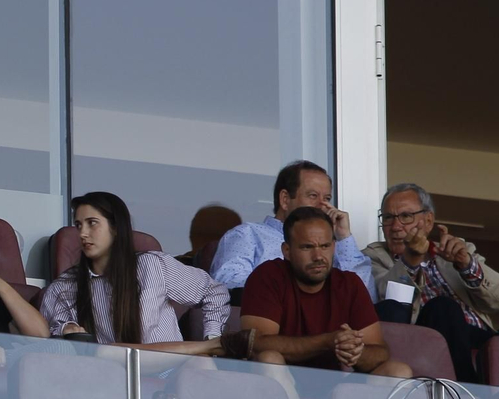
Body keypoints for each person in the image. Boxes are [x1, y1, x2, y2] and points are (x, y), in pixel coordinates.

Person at [41, 192, 249, 357]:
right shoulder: (66, 285)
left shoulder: (152, 265)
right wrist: (67, 328)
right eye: (78, 225)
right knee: (108, 352)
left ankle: (207, 348)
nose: (83, 233)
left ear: (115, 228)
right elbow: (53, 329)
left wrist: (211, 333)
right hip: (115, 373)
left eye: (92, 223)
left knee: (200, 369)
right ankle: (206, 348)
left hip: (171, 371)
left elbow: (213, 291)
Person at [240, 206, 411, 378]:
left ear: (334, 246)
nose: (318, 256)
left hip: (335, 388)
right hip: (282, 386)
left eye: (325, 246)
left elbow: (379, 352)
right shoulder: (268, 276)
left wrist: (355, 351)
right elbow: (255, 344)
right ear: (287, 251)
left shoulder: (349, 284)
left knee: (398, 371)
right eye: (307, 247)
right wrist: (328, 341)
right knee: (270, 358)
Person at [365, 182, 498, 382]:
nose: (395, 226)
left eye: (405, 216)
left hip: (476, 336)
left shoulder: (455, 249)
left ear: (428, 221)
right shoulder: (373, 257)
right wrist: (409, 260)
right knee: (443, 307)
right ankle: (467, 391)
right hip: (422, 341)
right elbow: (388, 301)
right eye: (388, 218)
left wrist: (465, 265)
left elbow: (496, 298)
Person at [211, 160, 374, 298]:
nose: (323, 206)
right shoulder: (248, 235)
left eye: (327, 198)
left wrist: (344, 237)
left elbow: (365, 295)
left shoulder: (332, 246)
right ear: (285, 199)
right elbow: (229, 284)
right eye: (313, 196)